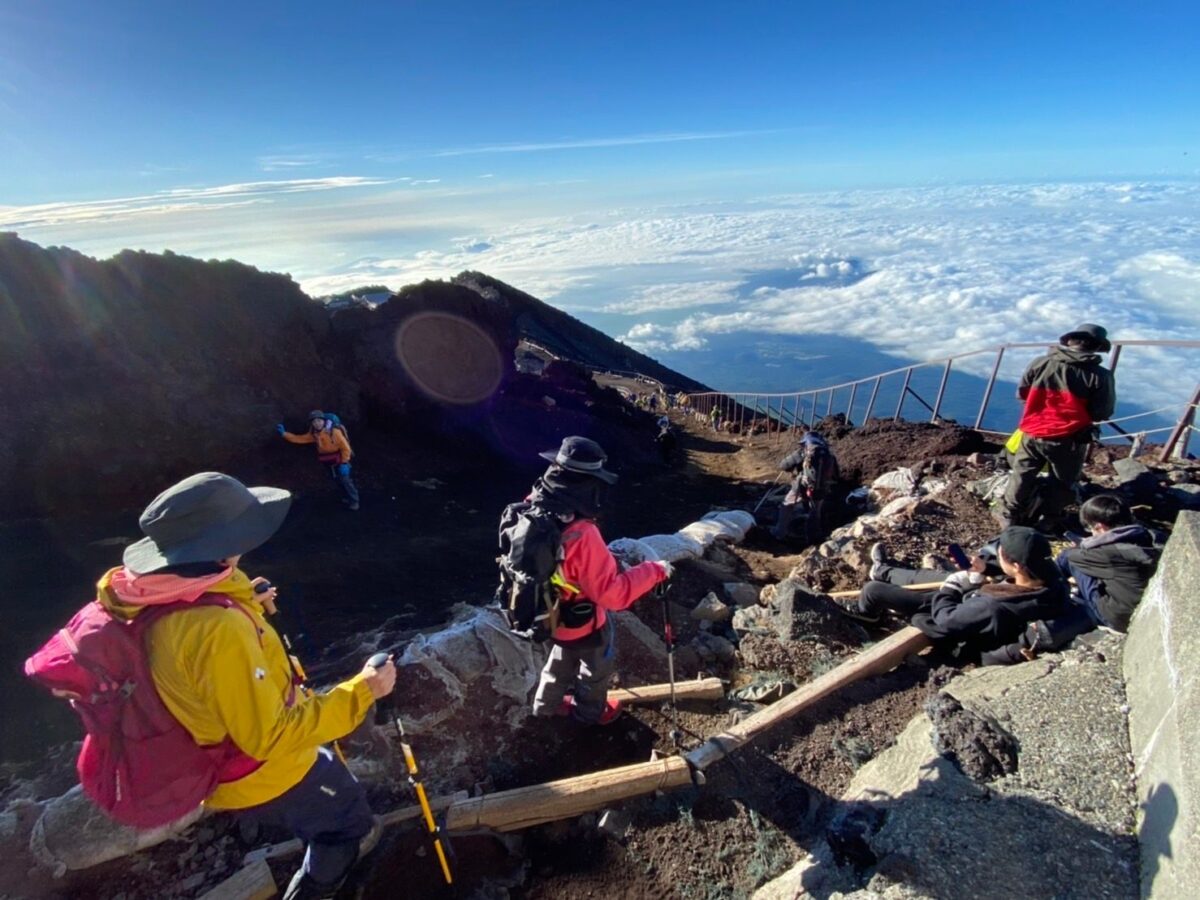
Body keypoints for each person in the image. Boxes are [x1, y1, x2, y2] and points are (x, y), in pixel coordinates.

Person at [102, 472, 397, 899]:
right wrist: (365, 689)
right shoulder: (219, 631)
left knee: (330, 782)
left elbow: (191, 649)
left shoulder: (153, 594)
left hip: (210, 748)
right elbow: (269, 736)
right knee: (346, 821)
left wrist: (241, 599)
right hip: (255, 767)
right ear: (223, 543)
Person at [528, 437, 671, 725]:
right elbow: (612, 595)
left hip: (546, 613)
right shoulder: (583, 533)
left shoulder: (532, 506)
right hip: (583, 621)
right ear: (588, 483)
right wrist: (655, 570)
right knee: (595, 669)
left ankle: (544, 707)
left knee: (558, 661)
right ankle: (589, 715)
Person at [985, 494, 1161, 663]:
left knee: (1069, 557)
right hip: (1144, 608)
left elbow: (1075, 557)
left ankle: (1043, 592)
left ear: (1100, 527)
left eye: (1090, 529)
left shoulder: (1105, 554)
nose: (1090, 534)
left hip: (1118, 617)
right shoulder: (1145, 537)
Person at [997, 324, 1116, 531]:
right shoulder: (1100, 376)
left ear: (1070, 341)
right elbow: (1102, 412)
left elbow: (1022, 394)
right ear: (1096, 347)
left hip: (1032, 431)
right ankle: (1049, 519)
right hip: (1068, 438)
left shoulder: (1040, 363)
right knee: (1063, 480)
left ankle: (1009, 515)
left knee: (1022, 473)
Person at [910, 527, 1071, 659]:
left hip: (971, 624)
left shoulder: (994, 605)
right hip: (984, 613)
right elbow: (1024, 570)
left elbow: (946, 619)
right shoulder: (1056, 580)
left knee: (919, 616)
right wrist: (986, 568)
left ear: (1016, 566)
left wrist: (951, 586)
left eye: (1000, 554)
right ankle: (884, 572)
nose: (997, 555)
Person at [278, 410, 360, 510]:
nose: (317, 423)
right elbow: (300, 439)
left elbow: (345, 448)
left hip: (340, 459)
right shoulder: (314, 434)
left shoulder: (334, 432)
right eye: (314, 422)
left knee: (345, 480)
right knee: (337, 480)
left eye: (319, 420)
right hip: (328, 461)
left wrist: (344, 462)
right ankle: (346, 497)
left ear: (324, 421)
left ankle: (354, 501)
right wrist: (284, 434)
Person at [772, 432, 839, 544]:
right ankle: (813, 539)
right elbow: (836, 475)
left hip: (801, 487)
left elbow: (783, 465)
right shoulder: (829, 455)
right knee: (815, 512)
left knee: (786, 506)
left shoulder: (802, 453)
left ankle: (779, 533)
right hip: (821, 490)